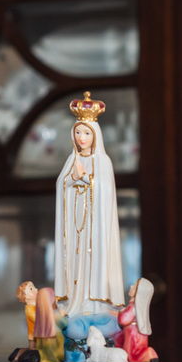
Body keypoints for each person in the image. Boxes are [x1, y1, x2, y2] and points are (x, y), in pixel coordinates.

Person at [54, 92, 125, 318]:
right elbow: (62, 184)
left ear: (96, 135)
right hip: (75, 223)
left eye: (86, 132)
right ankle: (75, 300)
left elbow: (105, 191)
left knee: (92, 258)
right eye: (78, 132)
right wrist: (72, 179)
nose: (81, 137)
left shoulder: (102, 161)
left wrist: (86, 179)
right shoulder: (71, 160)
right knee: (75, 260)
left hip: (94, 228)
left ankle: (94, 304)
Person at [115, 277, 158, 362]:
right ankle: (148, 354)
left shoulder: (133, 307)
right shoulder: (139, 308)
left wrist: (120, 312)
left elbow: (123, 319)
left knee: (131, 354)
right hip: (138, 334)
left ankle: (145, 356)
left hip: (132, 334)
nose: (131, 286)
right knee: (138, 349)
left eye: (134, 286)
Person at [32, 286, 66, 362]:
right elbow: (64, 324)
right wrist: (62, 315)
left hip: (41, 338)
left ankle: (45, 361)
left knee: (44, 352)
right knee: (54, 354)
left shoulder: (39, 316)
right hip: (55, 337)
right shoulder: (55, 315)